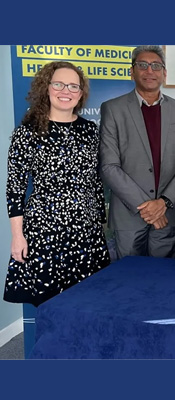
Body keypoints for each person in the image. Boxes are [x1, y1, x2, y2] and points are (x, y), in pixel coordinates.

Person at [4, 61, 111, 307]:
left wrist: (98, 225)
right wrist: (17, 237)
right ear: (47, 88)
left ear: (81, 93)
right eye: (59, 84)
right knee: (49, 302)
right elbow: (15, 188)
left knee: (86, 301)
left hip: (86, 231)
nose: (66, 91)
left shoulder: (89, 130)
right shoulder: (27, 132)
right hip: (45, 231)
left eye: (74, 86)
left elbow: (95, 181)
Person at [100, 45, 175, 259]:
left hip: (168, 213)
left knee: (163, 282)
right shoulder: (112, 109)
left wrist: (162, 203)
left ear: (164, 73)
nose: (149, 71)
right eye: (142, 65)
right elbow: (109, 166)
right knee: (128, 280)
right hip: (128, 215)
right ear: (132, 71)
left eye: (156, 66)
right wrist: (147, 208)